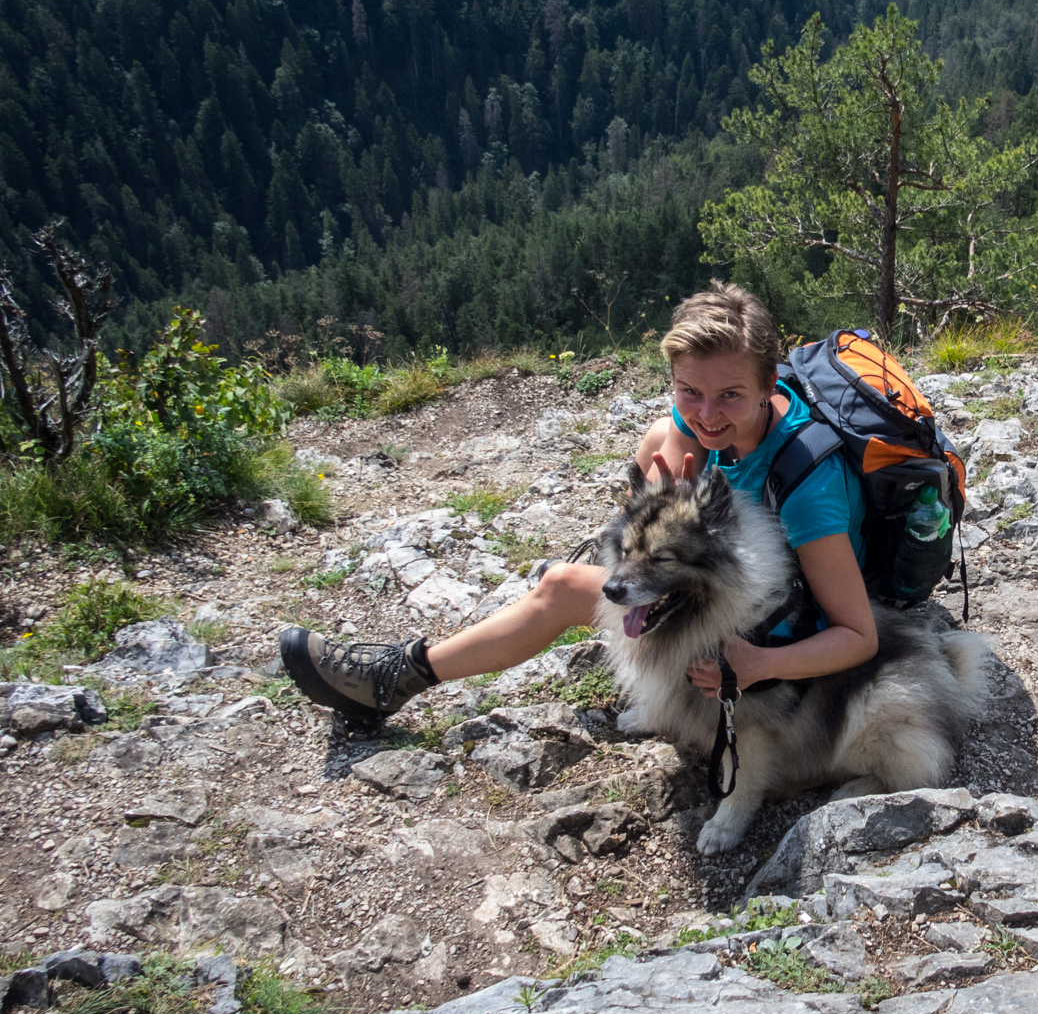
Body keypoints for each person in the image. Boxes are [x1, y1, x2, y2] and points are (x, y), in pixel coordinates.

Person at [278, 282, 876, 718]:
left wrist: (759, 665)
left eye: (730, 396)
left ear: (771, 385)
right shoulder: (702, 417)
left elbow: (859, 634)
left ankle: (393, 678)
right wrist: (651, 498)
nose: (706, 414)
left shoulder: (807, 484)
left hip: (790, 615)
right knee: (650, 448)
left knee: (563, 587)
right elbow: (666, 465)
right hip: (723, 564)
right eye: (688, 391)